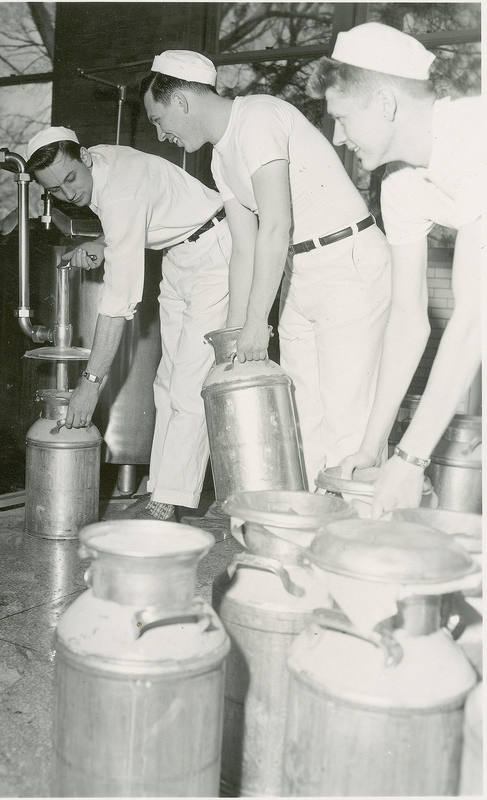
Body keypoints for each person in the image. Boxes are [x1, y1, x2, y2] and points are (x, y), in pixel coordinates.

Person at [141, 50, 392, 488]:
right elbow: (245, 248)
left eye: (159, 120)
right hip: (299, 270)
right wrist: (235, 336)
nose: (162, 135)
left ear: (181, 101)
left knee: (348, 419)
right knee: (302, 415)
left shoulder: (257, 117)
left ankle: (357, 540)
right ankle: (310, 530)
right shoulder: (220, 158)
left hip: (347, 262)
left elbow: (276, 223)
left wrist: (258, 320)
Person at [306, 22, 482, 516]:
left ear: (385, 104)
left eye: (341, 117)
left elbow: (472, 320)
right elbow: (408, 319)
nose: (338, 137)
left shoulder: (478, 139)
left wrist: (410, 459)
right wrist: (371, 446)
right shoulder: (401, 183)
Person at [24, 127, 231, 522]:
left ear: (84, 157)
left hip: (215, 253)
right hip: (179, 253)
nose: (69, 195)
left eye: (70, 179)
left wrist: (89, 384)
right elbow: (134, 215)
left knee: (189, 382)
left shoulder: (118, 189)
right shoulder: (98, 159)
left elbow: (117, 303)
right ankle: (160, 489)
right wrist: (103, 242)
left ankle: (167, 502)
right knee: (166, 382)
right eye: (55, 190)